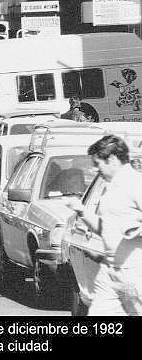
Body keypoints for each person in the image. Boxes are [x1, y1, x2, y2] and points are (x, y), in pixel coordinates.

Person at [68, 135, 142, 315]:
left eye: (98, 163)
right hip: (109, 270)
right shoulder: (110, 187)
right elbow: (104, 228)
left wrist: (136, 229)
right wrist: (82, 211)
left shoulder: (135, 184)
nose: (95, 169)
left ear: (113, 159)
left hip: (133, 271)